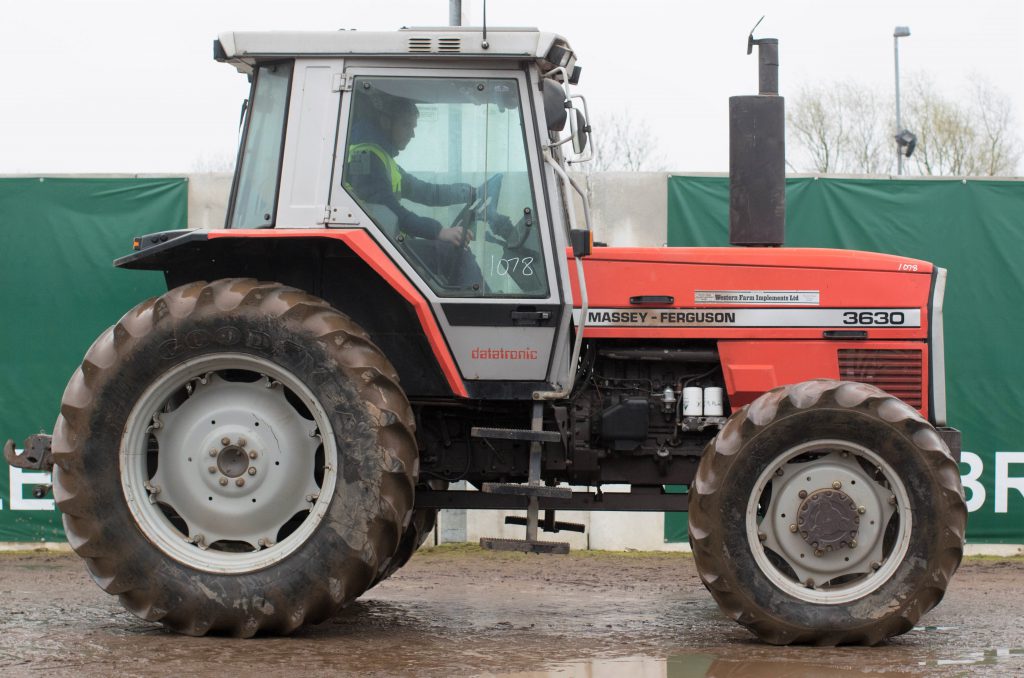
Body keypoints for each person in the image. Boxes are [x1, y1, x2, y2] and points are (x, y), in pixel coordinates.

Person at [345, 93, 478, 252]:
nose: (412, 134)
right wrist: (439, 231)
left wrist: (468, 192)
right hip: (376, 247)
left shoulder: (382, 157)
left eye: (413, 127)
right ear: (386, 122)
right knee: (455, 258)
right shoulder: (367, 159)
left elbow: (425, 192)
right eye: (406, 125)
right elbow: (388, 210)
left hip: (386, 241)